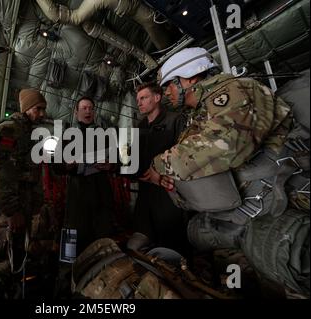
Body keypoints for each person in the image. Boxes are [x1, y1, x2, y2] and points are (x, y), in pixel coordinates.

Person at [142, 47, 309, 295]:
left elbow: (228, 145)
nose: (167, 92)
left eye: (170, 85)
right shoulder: (200, 113)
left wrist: (161, 165)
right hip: (243, 209)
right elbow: (201, 162)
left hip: (276, 200)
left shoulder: (233, 90)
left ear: (188, 77)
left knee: (290, 258)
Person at [0, 88, 57, 299]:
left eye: (43, 109)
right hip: (5, 213)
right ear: (26, 108)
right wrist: (12, 212)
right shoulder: (9, 131)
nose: (42, 114)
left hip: (22, 210)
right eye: (38, 109)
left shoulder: (30, 133)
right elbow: (0, 177)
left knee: (14, 262)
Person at [128, 82, 190, 256]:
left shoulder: (175, 120)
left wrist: (162, 174)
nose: (139, 103)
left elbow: (185, 155)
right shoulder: (140, 127)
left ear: (157, 98)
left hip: (169, 194)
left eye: (144, 98)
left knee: (172, 245)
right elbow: (134, 159)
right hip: (145, 196)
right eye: (138, 99)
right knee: (140, 244)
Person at [63, 97, 115, 257]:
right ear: (76, 111)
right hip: (76, 199)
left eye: (91, 108)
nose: (88, 111)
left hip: (100, 197)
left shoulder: (105, 135)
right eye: (84, 108)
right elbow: (57, 165)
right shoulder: (68, 135)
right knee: (72, 248)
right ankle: (68, 277)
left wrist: (110, 164)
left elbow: (118, 160)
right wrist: (68, 164)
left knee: (101, 247)